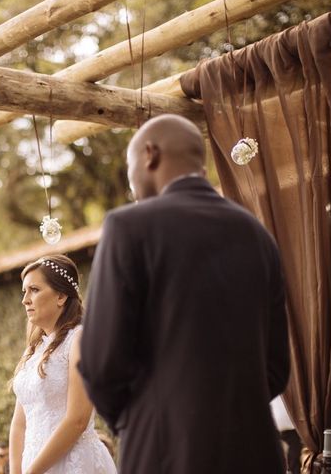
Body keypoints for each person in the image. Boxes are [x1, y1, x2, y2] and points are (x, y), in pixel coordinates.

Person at [78, 114, 290, 473]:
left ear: (149, 154)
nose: (131, 183)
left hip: (164, 454)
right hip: (256, 454)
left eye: (129, 168)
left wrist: (140, 422)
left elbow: (101, 362)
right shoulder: (257, 235)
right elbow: (276, 367)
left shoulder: (128, 227)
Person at [10, 254, 117, 474]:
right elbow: (19, 423)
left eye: (34, 290)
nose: (25, 300)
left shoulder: (80, 340)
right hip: (33, 464)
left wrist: (33, 472)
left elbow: (77, 420)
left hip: (73, 463)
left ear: (60, 296)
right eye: (24, 292)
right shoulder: (33, 350)